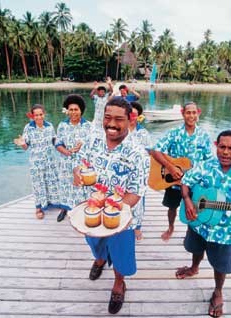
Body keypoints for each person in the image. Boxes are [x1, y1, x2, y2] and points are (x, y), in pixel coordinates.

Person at [73, 97, 149, 314]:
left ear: (130, 120)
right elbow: (81, 165)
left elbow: (136, 192)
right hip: (92, 207)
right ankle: (99, 259)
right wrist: (77, 173)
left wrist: (113, 212)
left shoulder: (138, 154)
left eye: (119, 119)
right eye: (108, 118)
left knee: (121, 253)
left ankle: (118, 283)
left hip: (121, 215)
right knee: (94, 241)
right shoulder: (93, 140)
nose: (112, 124)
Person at [178, 130, 231, 317]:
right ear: (216, 146)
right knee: (195, 248)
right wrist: (188, 201)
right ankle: (194, 268)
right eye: (222, 147)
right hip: (198, 221)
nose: (225, 152)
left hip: (224, 231)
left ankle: (217, 292)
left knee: (220, 265)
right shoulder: (206, 165)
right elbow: (186, 181)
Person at [149, 101, 212, 241]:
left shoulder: (204, 135)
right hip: (174, 181)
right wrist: (171, 167)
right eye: (188, 112)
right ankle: (170, 227)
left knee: (195, 208)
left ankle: (191, 234)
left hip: (195, 182)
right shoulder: (174, 133)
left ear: (198, 113)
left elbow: (209, 160)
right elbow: (155, 151)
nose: (191, 116)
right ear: (182, 113)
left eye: (194, 112)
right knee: (172, 207)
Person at [14, 104, 68, 219]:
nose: (39, 117)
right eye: (36, 115)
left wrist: (65, 148)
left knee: (52, 181)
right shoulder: (28, 127)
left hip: (50, 160)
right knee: (38, 184)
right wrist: (22, 143)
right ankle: (39, 207)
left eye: (41, 114)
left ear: (44, 114)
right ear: (32, 116)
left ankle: (54, 202)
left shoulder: (50, 126)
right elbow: (25, 147)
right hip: (36, 162)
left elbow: (55, 142)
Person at [55, 94, 92, 222]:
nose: (73, 112)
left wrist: (84, 145)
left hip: (83, 163)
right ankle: (64, 208)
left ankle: (81, 209)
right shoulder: (62, 125)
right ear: (67, 111)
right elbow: (58, 143)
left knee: (82, 186)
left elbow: (94, 144)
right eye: (70, 109)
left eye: (76, 109)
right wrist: (67, 151)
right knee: (66, 185)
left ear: (81, 110)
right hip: (66, 161)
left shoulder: (88, 126)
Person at [129, 101, 152, 240]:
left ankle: (137, 227)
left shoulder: (143, 132)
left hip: (139, 172)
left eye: (135, 115)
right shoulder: (121, 129)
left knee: (139, 200)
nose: (132, 117)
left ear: (138, 116)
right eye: (130, 114)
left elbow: (148, 152)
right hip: (122, 171)